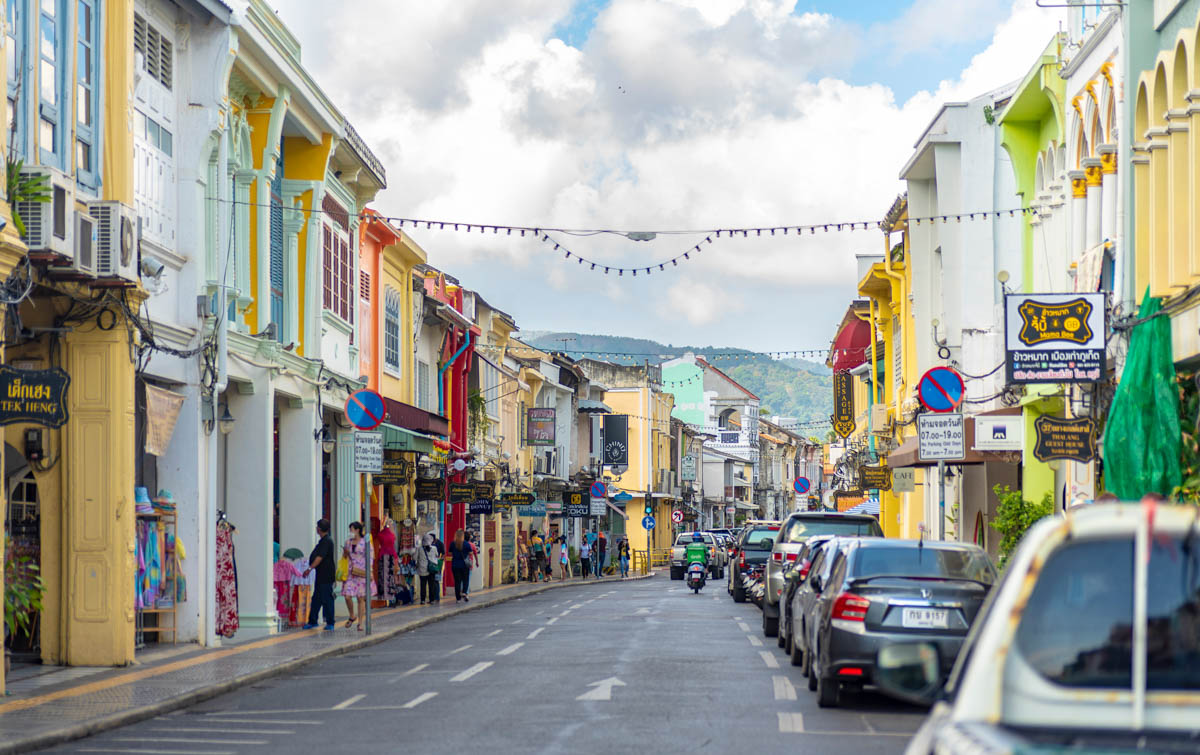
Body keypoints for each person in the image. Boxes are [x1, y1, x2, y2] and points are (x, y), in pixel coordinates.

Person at [302, 519, 336, 630]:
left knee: (327, 598)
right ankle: (313, 620)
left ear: (319, 529)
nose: (316, 528)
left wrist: (309, 568)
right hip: (321, 575)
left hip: (326, 575)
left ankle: (330, 622)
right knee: (317, 598)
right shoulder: (323, 541)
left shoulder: (326, 541)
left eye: (317, 527)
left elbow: (319, 557)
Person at [341, 522, 375, 630]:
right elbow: (344, 557)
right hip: (350, 571)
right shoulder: (348, 542)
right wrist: (345, 552)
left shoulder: (365, 542)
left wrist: (370, 570)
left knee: (361, 598)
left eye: (352, 529)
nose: (350, 532)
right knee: (347, 595)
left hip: (361, 571)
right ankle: (352, 615)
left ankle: (360, 622)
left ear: (357, 530)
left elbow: (370, 556)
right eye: (350, 529)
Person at [447, 529, 473, 602]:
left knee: (457, 582)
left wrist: (455, 554)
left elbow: (450, 553)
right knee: (465, 579)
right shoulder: (466, 544)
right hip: (464, 565)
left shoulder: (453, 543)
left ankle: (458, 598)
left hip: (455, 565)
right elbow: (471, 553)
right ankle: (464, 592)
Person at [416, 533, 441, 604]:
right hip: (432, 569)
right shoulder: (434, 548)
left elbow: (415, 558)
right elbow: (437, 555)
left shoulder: (419, 549)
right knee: (431, 585)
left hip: (422, 569)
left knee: (423, 585)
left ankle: (423, 600)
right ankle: (432, 599)